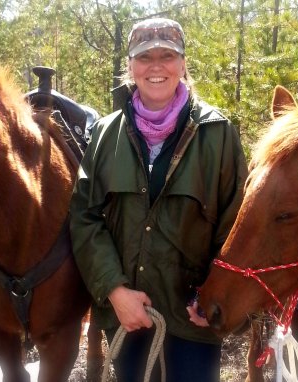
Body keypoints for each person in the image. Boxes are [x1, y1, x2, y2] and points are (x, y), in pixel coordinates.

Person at [70, 17, 248, 382]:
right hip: (126, 319)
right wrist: (116, 291)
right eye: (144, 56)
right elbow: (85, 217)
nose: (156, 66)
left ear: (183, 65)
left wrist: (215, 297)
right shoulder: (105, 135)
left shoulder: (218, 134)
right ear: (131, 67)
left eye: (167, 55)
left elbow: (237, 226)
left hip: (193, 321)